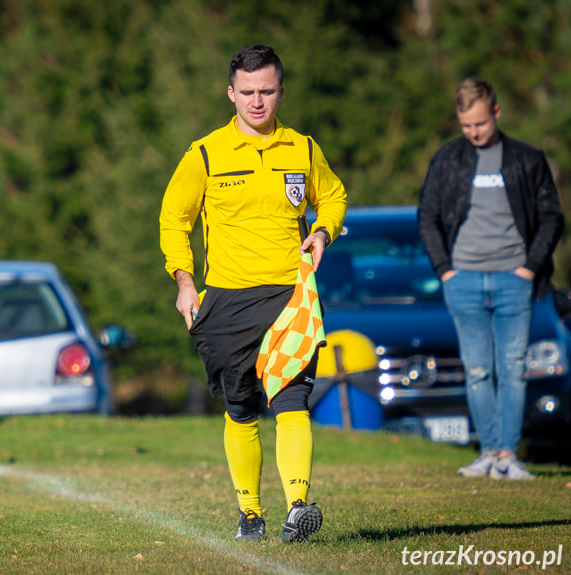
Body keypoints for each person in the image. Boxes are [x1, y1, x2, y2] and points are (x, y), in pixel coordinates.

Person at [159, 45, 347, 542]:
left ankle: (298, 507)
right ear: (231, 94)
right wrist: (183, 282)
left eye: (266, 91)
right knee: (241, 409)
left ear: (281, 91)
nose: (257, 102)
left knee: (293, 402)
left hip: (291, 297)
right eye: (247, 93)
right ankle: (250, 513)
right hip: (226, 300)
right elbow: (174, 220)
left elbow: (333, 194)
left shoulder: (303, 149)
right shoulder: (203, 154)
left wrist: (323, 231)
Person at [418, 78, 564, 481]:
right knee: (478, 369)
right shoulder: (447, 159)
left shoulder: (526, 160)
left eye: (480, 123)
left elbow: (552, 216)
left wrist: (530, 267)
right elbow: (426, 216)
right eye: (466, 125)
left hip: (514, 279)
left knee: (513, 367)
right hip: (462, 280)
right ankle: (489, 452)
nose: (474, 132)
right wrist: (445, 270)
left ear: (496, 113)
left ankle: (509, 458)